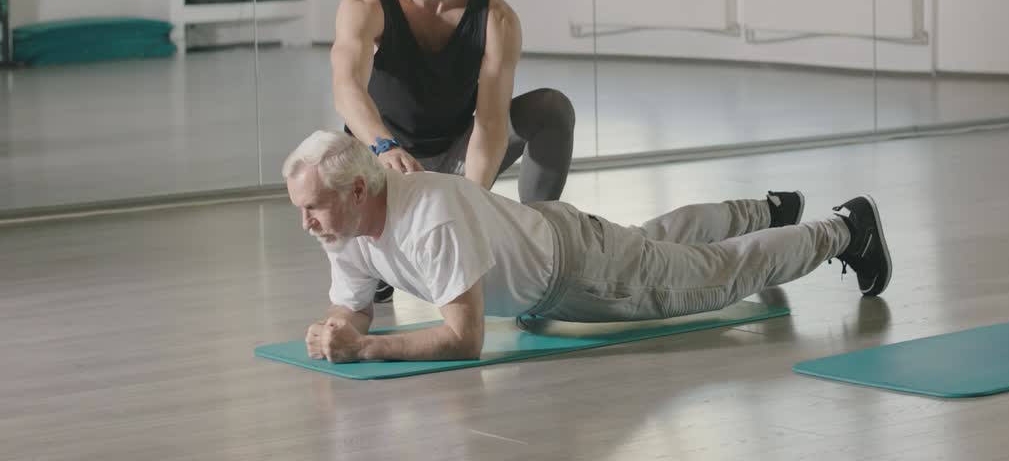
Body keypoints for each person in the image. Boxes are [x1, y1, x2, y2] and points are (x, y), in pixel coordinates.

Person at [284, 131, 893, 364]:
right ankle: (768, 210)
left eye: (313, 207)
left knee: (713, 275)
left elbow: (463, 340)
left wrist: (365, 350)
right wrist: (336, 326)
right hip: (550, 237)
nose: (307, 223)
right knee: (657, 243)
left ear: (359, 188)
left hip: (577, 275)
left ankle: (846, 230)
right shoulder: (346, 221)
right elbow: (354, 301)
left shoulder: (427, 217)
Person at [330, 0, 575, 301]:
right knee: (371, 288)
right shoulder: (366, 3)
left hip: (457, 151)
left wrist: (471, 203)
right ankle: (385, 252)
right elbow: (345, 87)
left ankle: (536, 235)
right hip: (386, 156)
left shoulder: (496, 17)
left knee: (551, 108)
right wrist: (383, 146)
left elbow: (492, 122)